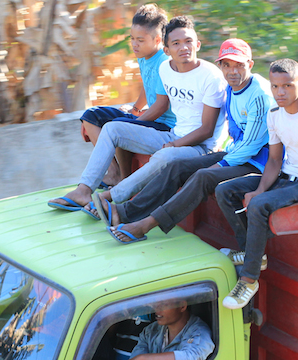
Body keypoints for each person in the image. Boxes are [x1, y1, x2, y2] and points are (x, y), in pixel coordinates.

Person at [98, 38, 274, 243]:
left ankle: (144, 225)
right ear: (220, 66)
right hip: (237, 153)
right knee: (177, 167)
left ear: (250, 65)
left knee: (203, 176)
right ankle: (125, 212)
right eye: (227, 65)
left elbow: (252, 145)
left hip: (259, 162)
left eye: (239, 65)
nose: (232, 71)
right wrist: (224, 157)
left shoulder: (259, 93)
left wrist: (221, 163)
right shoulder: (231, 88)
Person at [49, 16, 226, 211]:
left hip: (200, 147)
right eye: (176, 43)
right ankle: (84, 190)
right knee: (112, 128)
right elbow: (153, 96)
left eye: (188, 41)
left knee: (165, 157)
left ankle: (111, 197)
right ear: (167, 50)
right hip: (174, 135)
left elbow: (207, 130)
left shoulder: (211, 77)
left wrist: (174, 144)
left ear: (198, 44)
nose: (184, 47)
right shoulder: (165, 69)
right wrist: (136, 112)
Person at [215, 59, 298, 309]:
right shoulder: (274, 115)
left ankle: (249, 278)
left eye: (287, 86)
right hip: (287, 175)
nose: (280, 92)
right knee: (225, 190)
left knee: (259, 206)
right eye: (275, 86)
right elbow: (275, 160)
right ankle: (251, 251)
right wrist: (258, 190)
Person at [79, 4, 176, 183]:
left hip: (164, 126)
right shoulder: (143, 56)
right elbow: (148, 85)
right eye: (132, 38)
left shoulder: (165, 63)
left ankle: (124, 178)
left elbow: (162, 106)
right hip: (148, 117)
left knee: (119, 125)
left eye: (140, 40)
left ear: (157, 41)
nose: (134, 44)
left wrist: (136, 121)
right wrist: (135, 109)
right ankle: (113, 172)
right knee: (90, 116)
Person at [119, 301, 214, 360]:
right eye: (155, 303)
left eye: (163, 304)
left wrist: (142, 358)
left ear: (182, 306)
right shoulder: (151, 331)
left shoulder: (199, 331)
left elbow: (190, 359)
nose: (157, 308)